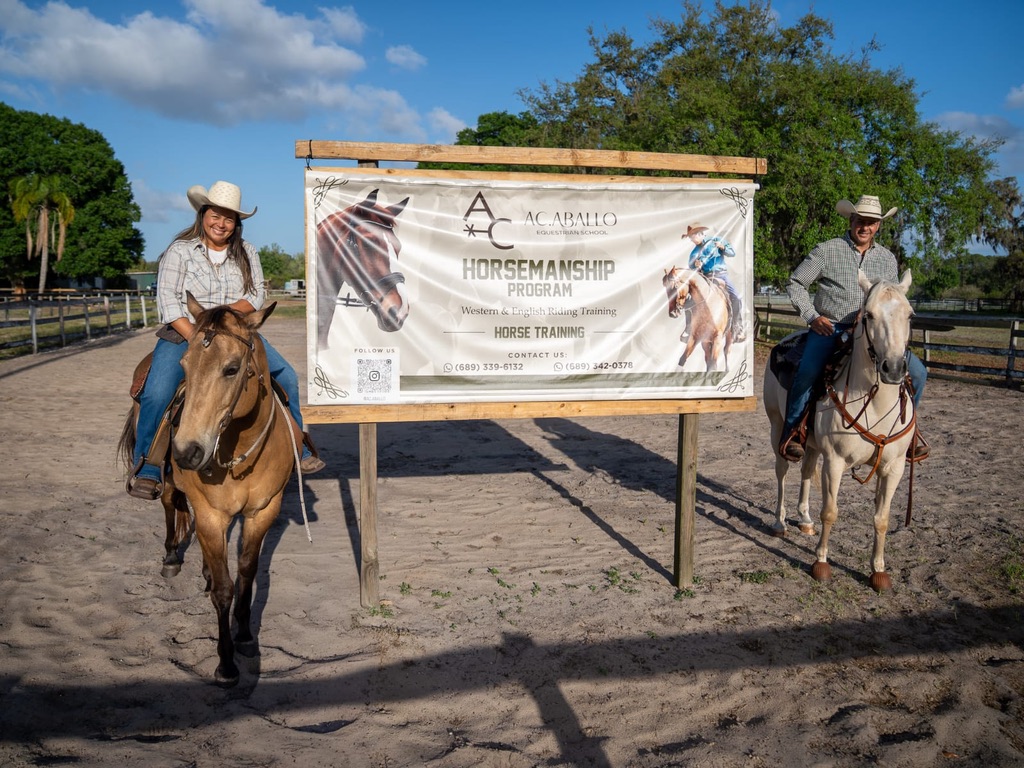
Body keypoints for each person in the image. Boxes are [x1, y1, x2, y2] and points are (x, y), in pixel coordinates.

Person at [127, 180, 325, 500]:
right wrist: (202, 340)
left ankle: (297, 447)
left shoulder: (247, 252)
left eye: (229, 218)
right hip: (184, 332)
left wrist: (224, 327)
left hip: (236, 333)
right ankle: (147, 463)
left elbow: (256, 294)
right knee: (158, 390)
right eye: (215, 215)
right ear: (203, 214)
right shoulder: (180, 251)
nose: (221, 224)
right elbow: (168, 302)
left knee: (286, 374)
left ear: (237, 224)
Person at [779, 194, 928, 462]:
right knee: (808, 371)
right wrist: (813, 317)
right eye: (860, 221)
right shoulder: (827, 250)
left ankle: (909, 433)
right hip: (831, 328)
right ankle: (794, 431)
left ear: (878, 226)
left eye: (871, 223)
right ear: (851, 220)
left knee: (918, 373)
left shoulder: (887, 259)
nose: (865, 227)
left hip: (873, 332)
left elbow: (891, 299)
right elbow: (796, 283)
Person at [685, 223, 746, 341]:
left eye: (692, 237)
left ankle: (737, 328)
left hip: (721, 276)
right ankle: (688, 329)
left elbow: (732, 253)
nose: (692, 240)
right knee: (688, 301)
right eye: (690, 238)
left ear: (699, 234)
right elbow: (691, 267)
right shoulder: (694, 253)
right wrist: (695, 266)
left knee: (736, 298)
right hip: (705, 278)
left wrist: (723, 247)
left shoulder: (716, 241)